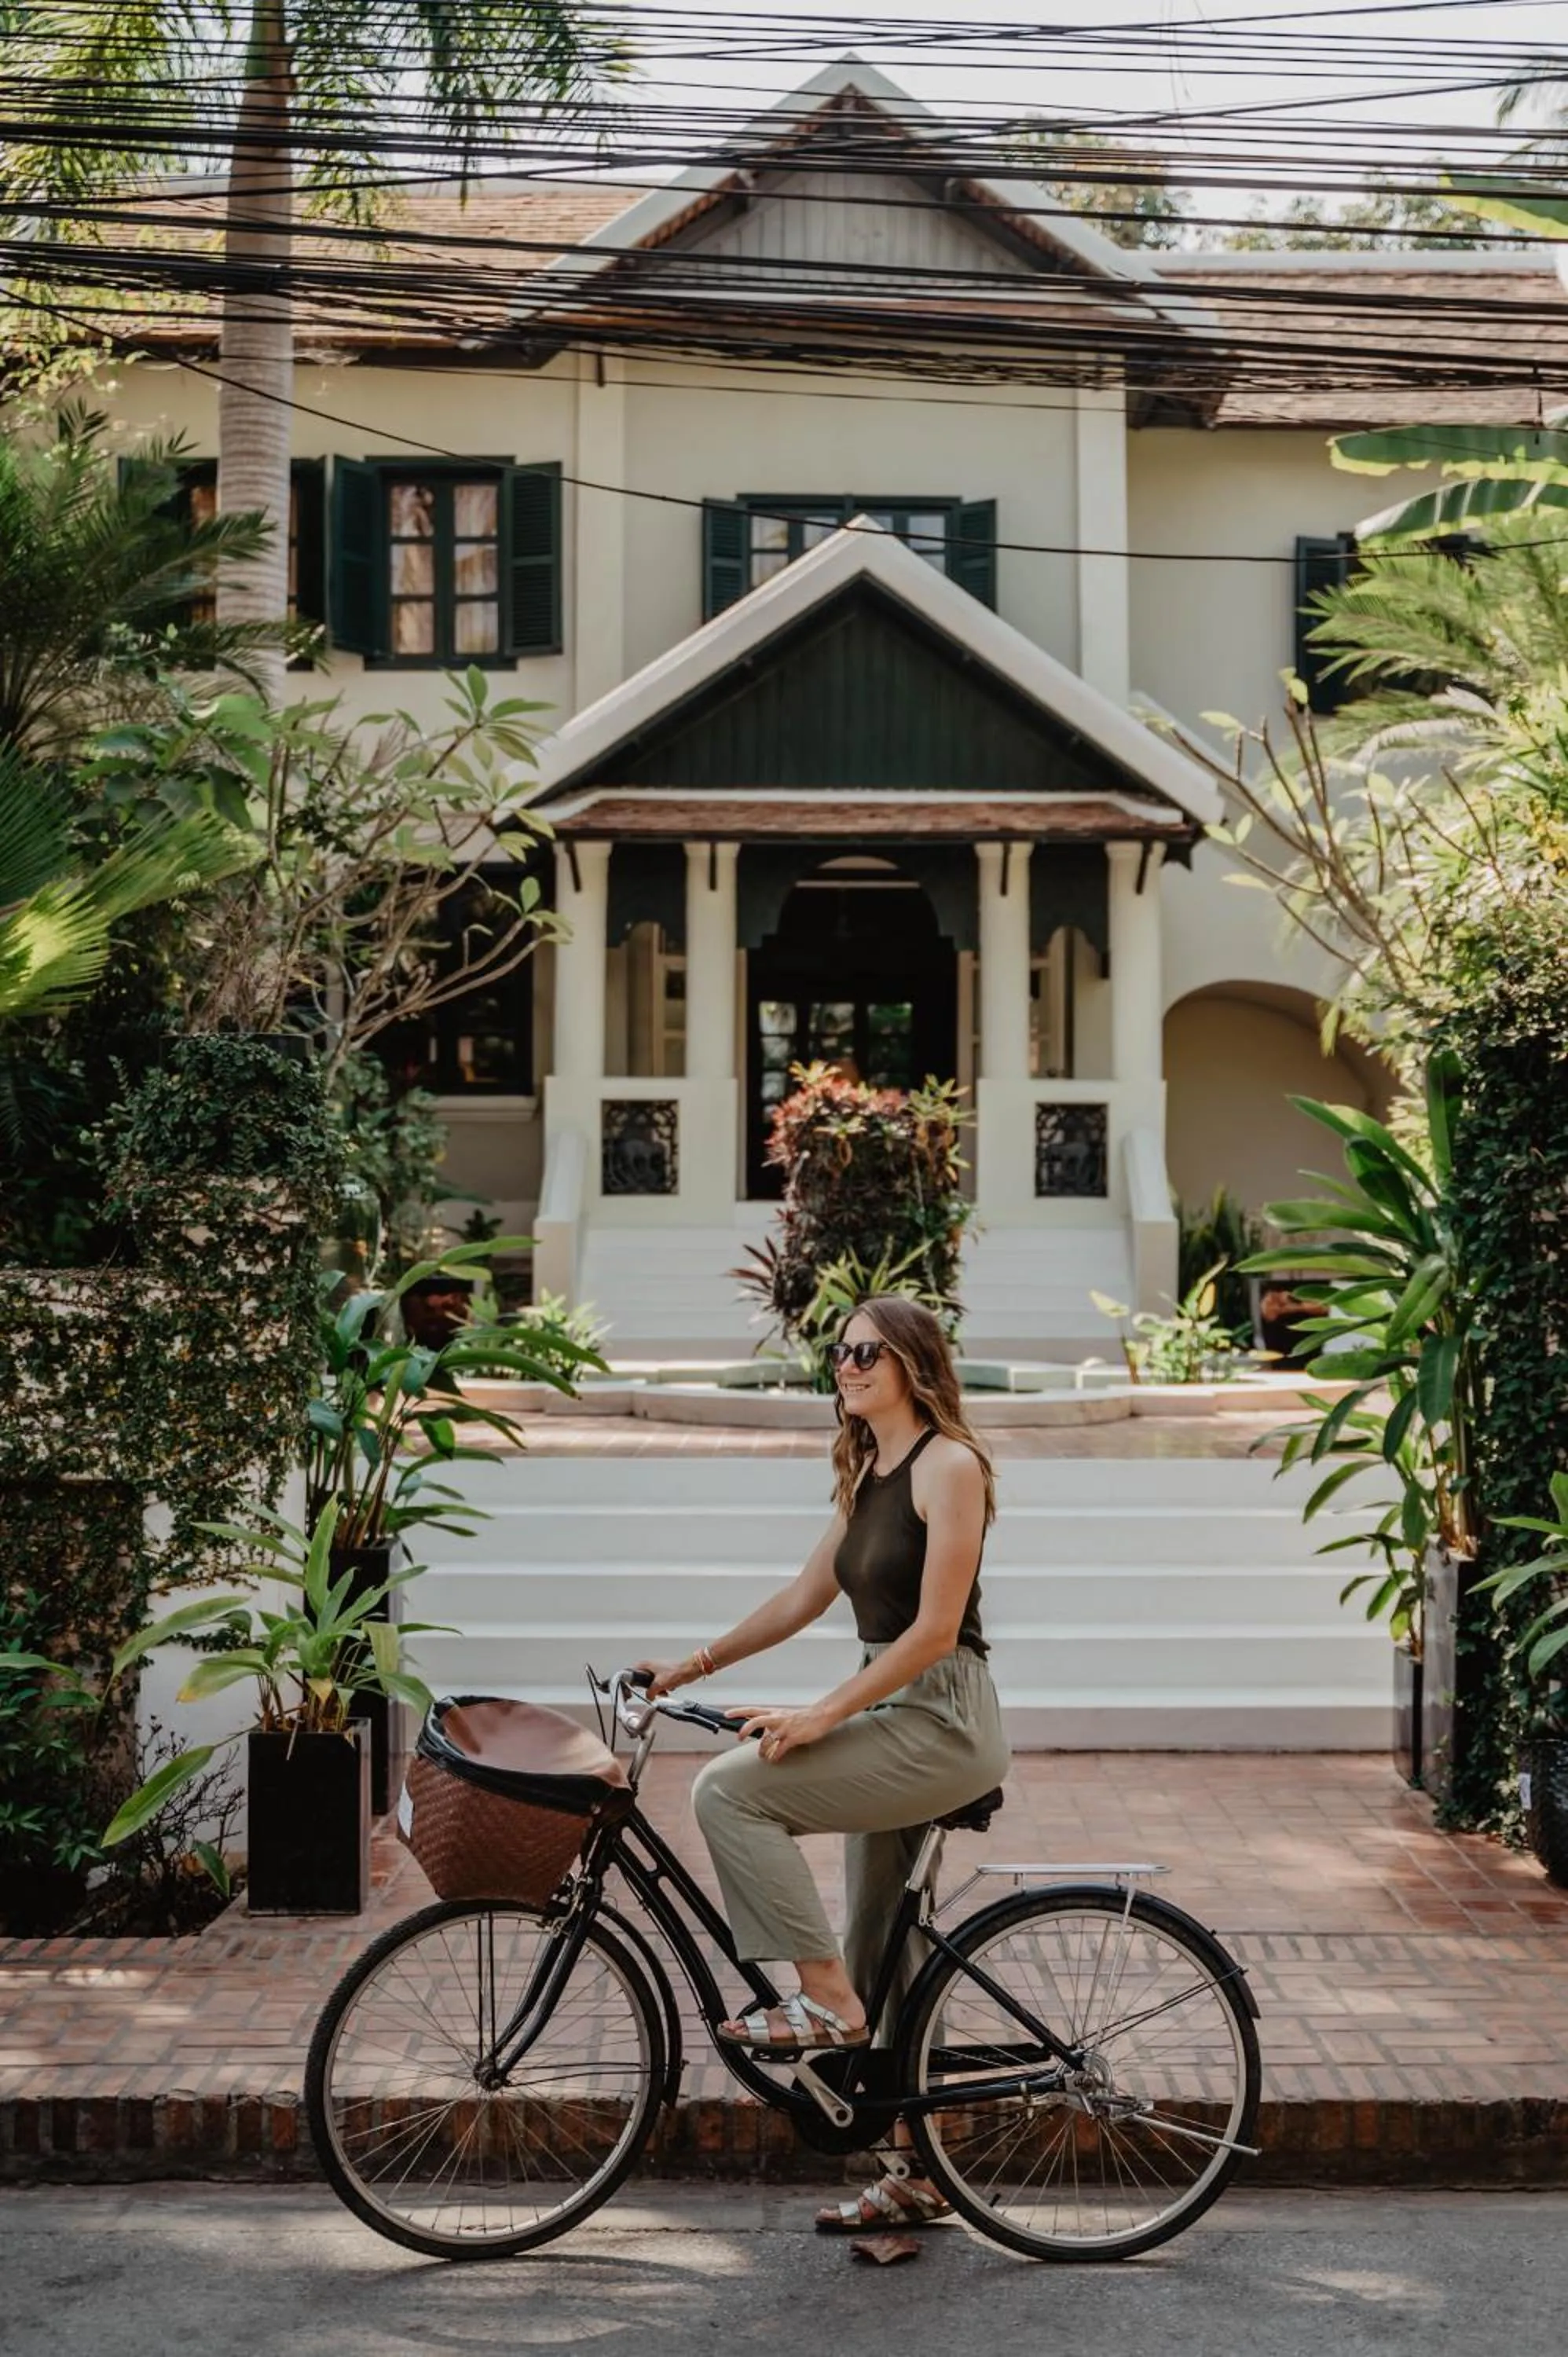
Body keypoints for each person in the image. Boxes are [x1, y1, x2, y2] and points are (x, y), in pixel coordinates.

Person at [638, 1292, 1010, 2234]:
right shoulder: (868, 1471)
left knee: (730, 1791)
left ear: (913, 1367)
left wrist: (818, 1713)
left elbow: (931, 1634)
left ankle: (825, 2004)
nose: (844, 1367)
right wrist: (692, 1665)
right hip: (890, 1709)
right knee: (887, 1945)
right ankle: (915, 2173)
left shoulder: (949, 1466)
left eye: (865, 1354)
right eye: (838, 1354)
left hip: (944, 1723)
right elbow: (805, 1595)